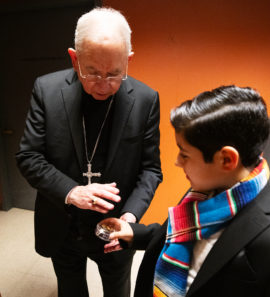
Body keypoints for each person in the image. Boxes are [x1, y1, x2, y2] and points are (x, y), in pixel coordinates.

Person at [16, 7, 162, 297]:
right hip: (62, 222)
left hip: (116, 225)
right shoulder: (46, 90)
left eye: (115, 73)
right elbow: (28, 157)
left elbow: (150, 169)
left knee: (118, 291)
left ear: (128, 60)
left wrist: (130, 218)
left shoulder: (146, 99)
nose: (104, 85)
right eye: (92, 72)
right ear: (74, 58)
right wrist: (72, 192)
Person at [100, 85, 270, 297]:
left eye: (184, 154)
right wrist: (135, 234)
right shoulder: (204, 192)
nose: (177, 162)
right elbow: (183, 235)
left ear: (226, 159)